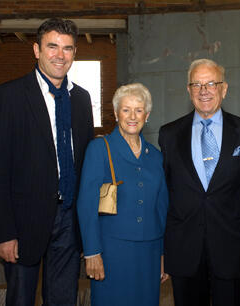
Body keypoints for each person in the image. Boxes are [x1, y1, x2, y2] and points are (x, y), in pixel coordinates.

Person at [0, 18, 94, 305]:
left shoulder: (81, 99)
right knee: (21, 298)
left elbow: (84, 164)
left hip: (69, 219)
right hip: (23, 222)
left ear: (74, 53)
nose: (60, 55)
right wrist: (3, 232)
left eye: (67, 48)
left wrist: (86, 228)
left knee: (63, 298)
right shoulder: (9, 96)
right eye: (52, 46)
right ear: (36, 50)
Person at [158, 59, 240, 306]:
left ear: (224, 89)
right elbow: (163, 195)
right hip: (184, 247)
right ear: (189, 90)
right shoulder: (169, 134)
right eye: (196, 84)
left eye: (211, 83)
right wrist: (161, 248)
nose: (203, 90)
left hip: (231, 246)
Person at [77, 83, 169, 306]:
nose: (132, 116)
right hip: (111, 251)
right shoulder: (99, 149)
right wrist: (92, 252)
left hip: (150, 251)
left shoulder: (155, 156)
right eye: (126, 109)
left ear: (147, 115)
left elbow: (162, 207)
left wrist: (164, 254)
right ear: (117, 113)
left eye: (139, 110)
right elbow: (86, 204)